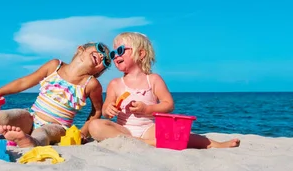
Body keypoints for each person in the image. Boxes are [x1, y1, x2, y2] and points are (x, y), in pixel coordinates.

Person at [88, 32, 240, 148]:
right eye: (113, 53)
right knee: (95, 126)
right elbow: (106, 110)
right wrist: (110, 109)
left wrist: (147, 109)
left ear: (141, 54)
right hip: (125, 130)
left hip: (149, 128)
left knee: (179, 132)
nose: (115, 56)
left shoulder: (153, 79)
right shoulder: (115, 84)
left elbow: (168, 104)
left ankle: (215, 145)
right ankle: (146, 143)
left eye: (120, 50)